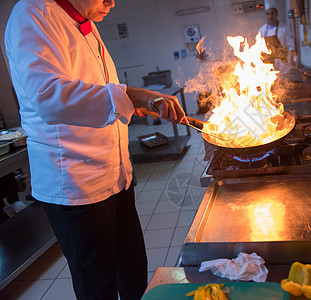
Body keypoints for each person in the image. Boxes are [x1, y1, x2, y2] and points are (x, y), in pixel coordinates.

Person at [4, 0, 187, 299]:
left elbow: (99, 89)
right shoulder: (34, 13)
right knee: (98, 288)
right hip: (77, 184)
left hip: (115, 177)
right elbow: (49, 96)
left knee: (133, 274)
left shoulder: (85, 22)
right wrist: (129, 95)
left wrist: (130, 105)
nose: (111, 3)